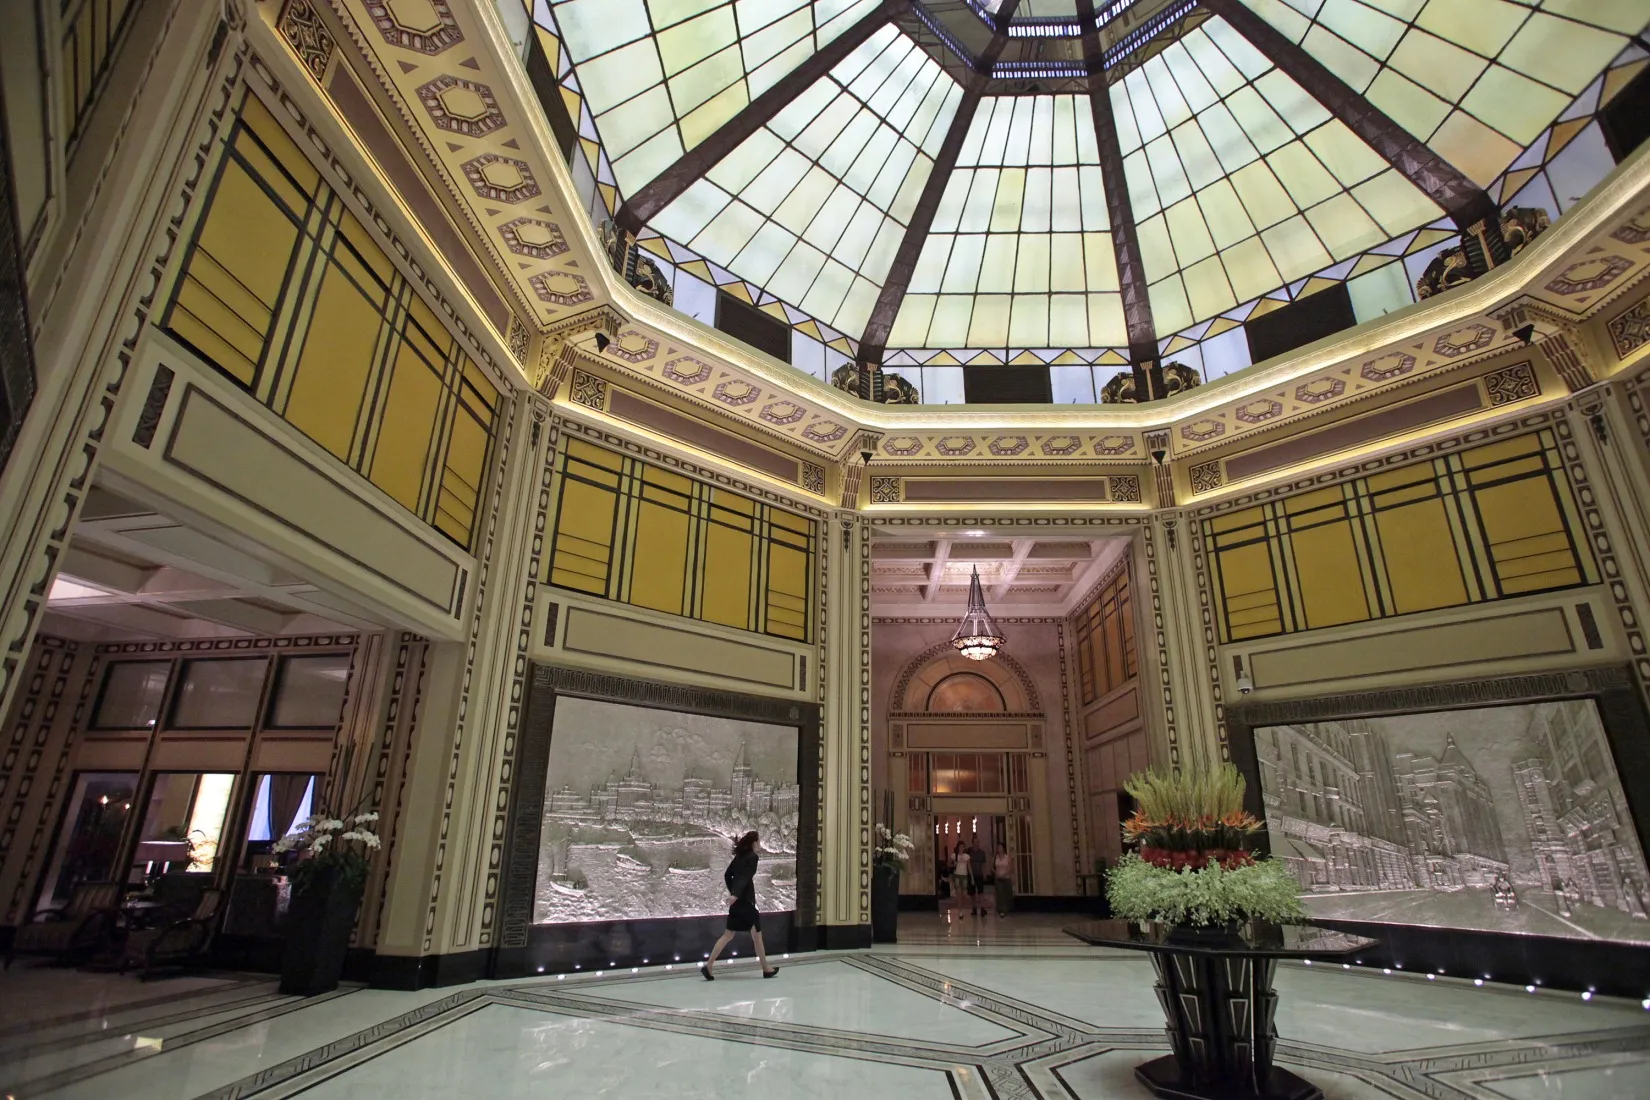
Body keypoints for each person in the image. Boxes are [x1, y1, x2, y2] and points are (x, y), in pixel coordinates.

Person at [701, 831, 778, 981]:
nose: (760, 843)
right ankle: (766, 969)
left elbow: (727, 875)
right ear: (754, 843)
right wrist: (736, 895)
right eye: (759, 840)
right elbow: (745, 877)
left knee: (728, 935)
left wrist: (733, 894)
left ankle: (709, 965)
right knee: (757, 935)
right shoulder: (753, 858)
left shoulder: (739, 856)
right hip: (746, 902)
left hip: (737, 902)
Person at [967, 835, 988, 917]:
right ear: (972, 843)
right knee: (972, 893)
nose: (977, 844)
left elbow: (984, 864)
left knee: (981, 892)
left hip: (979, 874)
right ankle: (974, 908)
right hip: (971, 874)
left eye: (978, 842)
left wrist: (985, 873)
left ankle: (982, 908)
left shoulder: (982, 853)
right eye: (975, 842)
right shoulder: (969, 852)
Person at [993, 845, 1014, 917]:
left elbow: (1011, 868)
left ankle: (1007, 908)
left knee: (1007, 893)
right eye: (998, 848)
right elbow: (991, 867)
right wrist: (996, 873)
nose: (999, 849)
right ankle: (1001, 910)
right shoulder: (996, 858)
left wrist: (1005, 874)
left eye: (1001, 848)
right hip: (998, 878)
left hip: (1006, 877)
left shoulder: (1007, 857)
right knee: (1000, 894)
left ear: (1003, 849)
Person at [950, 840, 971, 913]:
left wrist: (971, 876)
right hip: (957, 875)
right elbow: (949, 864)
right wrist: (954, 865)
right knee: (958, 893)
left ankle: (962, 906)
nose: (961, 848)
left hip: (964, 875)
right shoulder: (954, 856)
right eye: (960, 847)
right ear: (958, 847)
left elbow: (969, 866)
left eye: (963, 847)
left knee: (964, 894)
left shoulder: (967, 856)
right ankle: (960, 910)